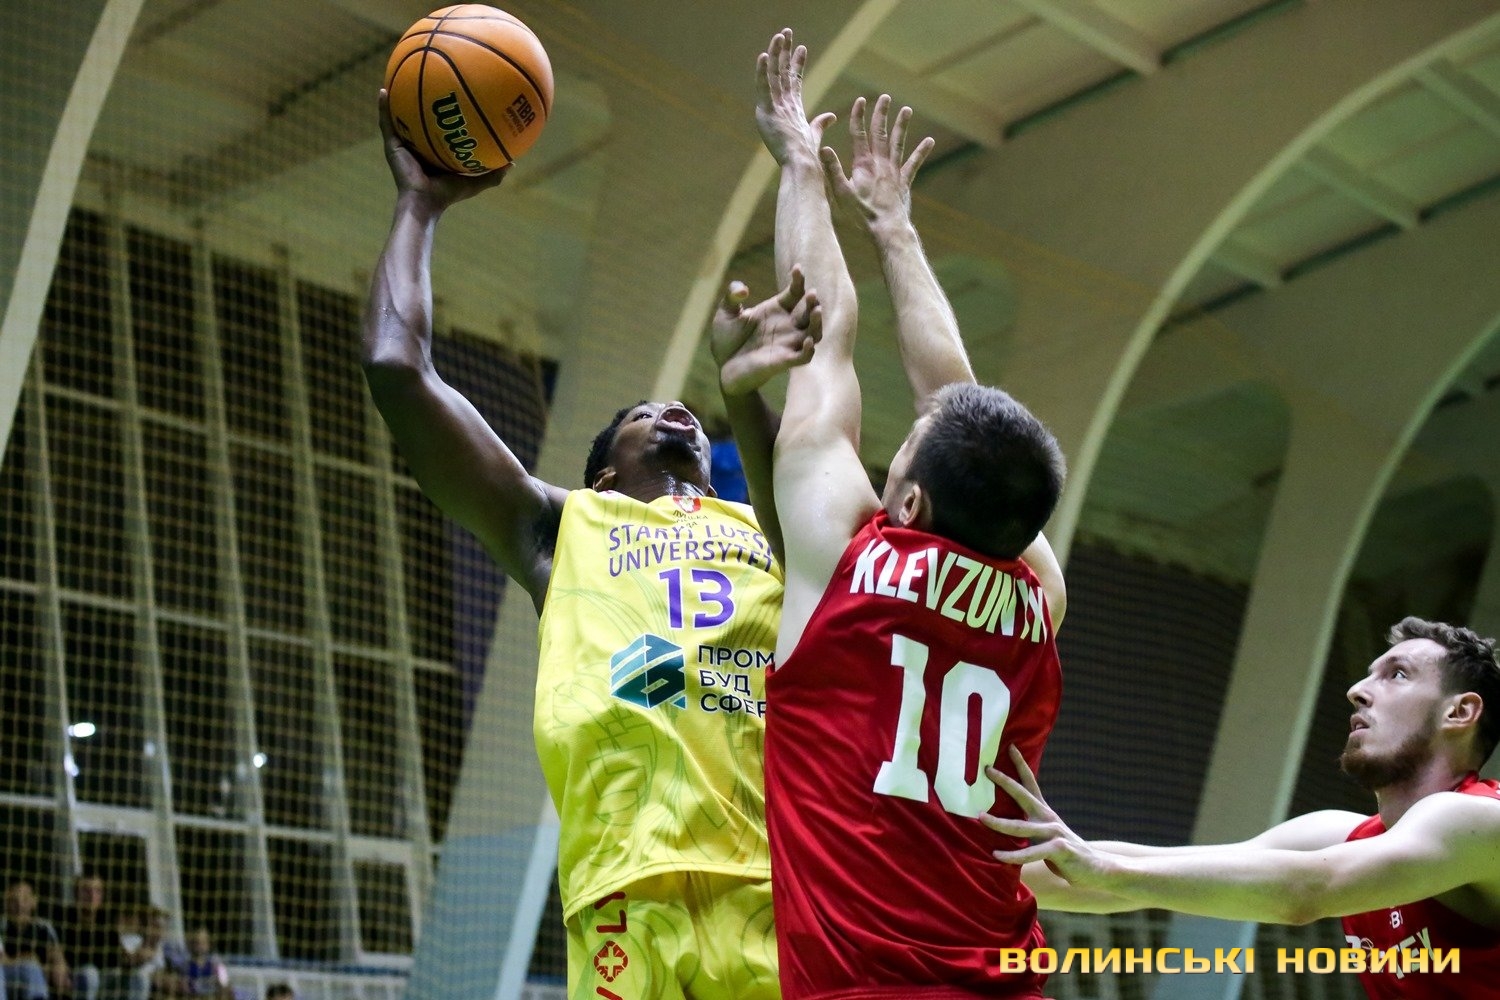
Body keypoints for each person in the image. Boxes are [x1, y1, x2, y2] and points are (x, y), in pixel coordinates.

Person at [361, 88, 821, 1000]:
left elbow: (808, 477)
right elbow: (395, 369)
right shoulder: (564, 527)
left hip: (784, 895)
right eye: (645, 413)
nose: (672, 409)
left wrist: (743, 394)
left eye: (684, 410)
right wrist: (420, 203)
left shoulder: (771, 534)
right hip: (629, 898)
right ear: (605, 471)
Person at [717, 30, 1068, 998]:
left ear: (909, 499)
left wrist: (801, 164)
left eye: (901, 455)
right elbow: (957, 402)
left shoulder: (847, 570)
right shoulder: (1038, 597)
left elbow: (822, 341)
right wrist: (895, 231)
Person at [986, 616, 1500, 999]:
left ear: (1460, 712)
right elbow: (1148, 868)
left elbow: (1307, 891)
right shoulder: (1340, 836)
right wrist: (972, 877)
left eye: (1397, 675)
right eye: (1368, 674)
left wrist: (1107, 870)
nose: (1357, 691)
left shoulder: (1477, 818)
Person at [1, 880, 68, 1000]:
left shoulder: (44, 928)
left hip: (41, 981)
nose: (19, 905)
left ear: (34, 902)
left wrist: (59, 968)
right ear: (6, 903)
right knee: (30, 968)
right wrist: (28, 959)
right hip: (8, 981)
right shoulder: (2, 926)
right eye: (14, 900)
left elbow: (57, 956)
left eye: (25, 899)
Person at [56, 874, 117, 1000]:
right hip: (74, 979)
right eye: (86, 891)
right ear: (76, 894)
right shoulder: (63, 918)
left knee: (135, 977)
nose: (92, 896)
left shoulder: (106, 920)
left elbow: (114, 959)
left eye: (97, 891)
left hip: (102, 978)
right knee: (90, 973)